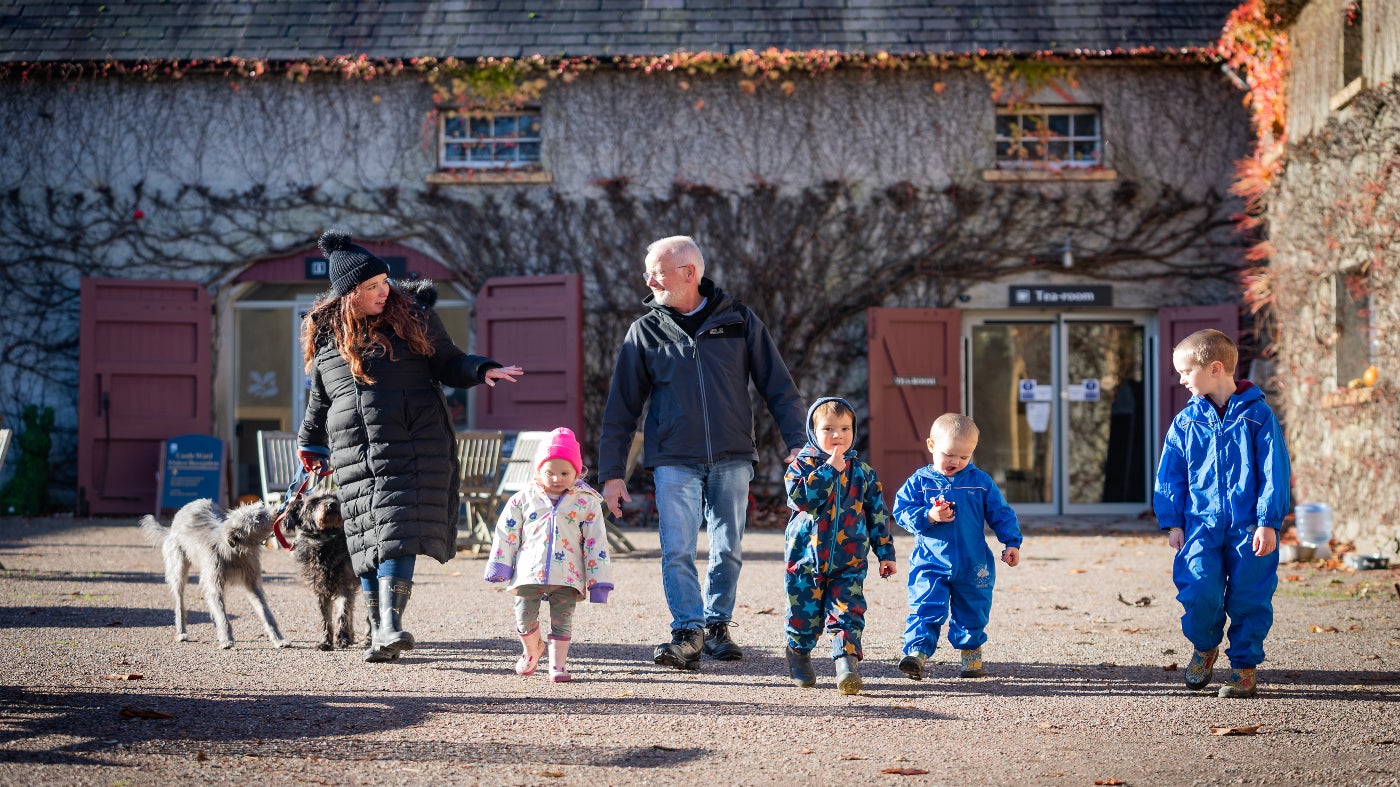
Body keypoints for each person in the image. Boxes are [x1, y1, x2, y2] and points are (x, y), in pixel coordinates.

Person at [297, 229, 523, 663]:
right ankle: (380, 632)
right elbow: (319, 400)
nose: (384, 291)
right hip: (354, 454)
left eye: (384, 282)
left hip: (415, 444)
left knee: (399, 532)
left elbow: (450, 361)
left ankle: (392, 626)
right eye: (372, 287)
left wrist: (482, 370)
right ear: (349, 295)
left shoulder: (414, 319)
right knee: (366, 539)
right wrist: (311, 443)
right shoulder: (327, 338)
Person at [599, 235, 806, 671]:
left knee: (727, 546)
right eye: (648, 270)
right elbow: (621, 408)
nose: (648, 279)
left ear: (689, 273)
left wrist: (799, 444)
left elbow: (779, 387)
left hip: (732, 455)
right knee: (677, 548)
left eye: (657, 270)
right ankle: (687, 631)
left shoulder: (738, 321)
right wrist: (612, 473)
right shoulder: (645, 331)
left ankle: (716, 627)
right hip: (674, 458)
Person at [1155, 329, 1290, 699]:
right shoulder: (1186, 422)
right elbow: (1170, 475)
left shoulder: (1259, 417)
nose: (1180, 379)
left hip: (1250, 528)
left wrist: (1268, 521)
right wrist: (1174, 522)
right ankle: (1204, 646)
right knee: (1198, 589)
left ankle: (1244, 668)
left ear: (1215, 368)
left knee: (1250, 597)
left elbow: (1274, 471)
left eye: (1185, 372)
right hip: (1200, 525)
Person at [893, 413, 1022, 681]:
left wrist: (1011, 541)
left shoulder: (980, 481)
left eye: (965, 457)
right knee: (925, 605)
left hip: (973, 562)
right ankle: (917, 653)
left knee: (973, 608)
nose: (956, 462)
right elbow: (901, 511)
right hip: (930, 561)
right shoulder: (920, 482)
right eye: (949, 454)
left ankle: (971, 652)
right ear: (931, 445)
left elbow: (1000, 512)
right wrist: (928, 516)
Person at [783, 397, 897, 694]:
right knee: (804, 618)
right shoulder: (801, 466)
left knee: (848, 613)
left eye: (845, 428)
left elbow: (878, 515)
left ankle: (846, 665)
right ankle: (798, 652)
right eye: (829, 429)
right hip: (805, 562)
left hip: (848, 562)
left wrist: (885, 553)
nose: (838, 436)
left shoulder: (863, 473)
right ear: (813, 432)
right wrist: (829, 470)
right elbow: (800, 499)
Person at [484, 427, 613, 682]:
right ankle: (533, 650)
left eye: (565, 473)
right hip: (528, 572)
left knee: (562, 619)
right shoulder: (523, 499)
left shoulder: (586, 502)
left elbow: (596, 542)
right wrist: (500, 565)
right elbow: (507, 533)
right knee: (523, 615)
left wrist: (599, 582)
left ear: (577, 472)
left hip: (567, 574)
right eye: (549, 472)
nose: (557, 478)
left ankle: (558, 665)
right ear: (538, 471)